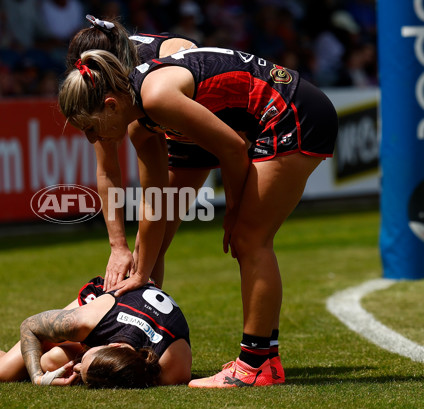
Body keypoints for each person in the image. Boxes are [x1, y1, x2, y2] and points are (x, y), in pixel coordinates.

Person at [58, 40, 338, 387]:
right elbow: (156, 201)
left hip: (292, 113)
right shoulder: (141, 122)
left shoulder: (157, 98)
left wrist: (233, 211)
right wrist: (141, 272)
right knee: (247, 239)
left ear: (110, 104)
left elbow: (234, 149)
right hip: (279, 115)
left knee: (250, 239)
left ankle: (253, 368)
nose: (91, 138)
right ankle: (264, 360)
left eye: (90, 128)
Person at [67, 16, 208, 292]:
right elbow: (107, 168)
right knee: (146, 243)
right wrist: (117, 247)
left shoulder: (155, 74)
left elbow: (153, 192)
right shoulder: (104, 82)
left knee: (152, 240)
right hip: (155, 106)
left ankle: (142, 321)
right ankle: (138, 316)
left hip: (188, 112)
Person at [0, 277, 191, 388]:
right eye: (85, 357)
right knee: (3, 371)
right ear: (113, 346)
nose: (78, 362)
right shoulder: (87, 321)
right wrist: (37, 377)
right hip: (107, 299)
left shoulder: (170, 368)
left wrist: (83, 369)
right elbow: (30, 326)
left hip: (127, 324)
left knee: (54, 362)